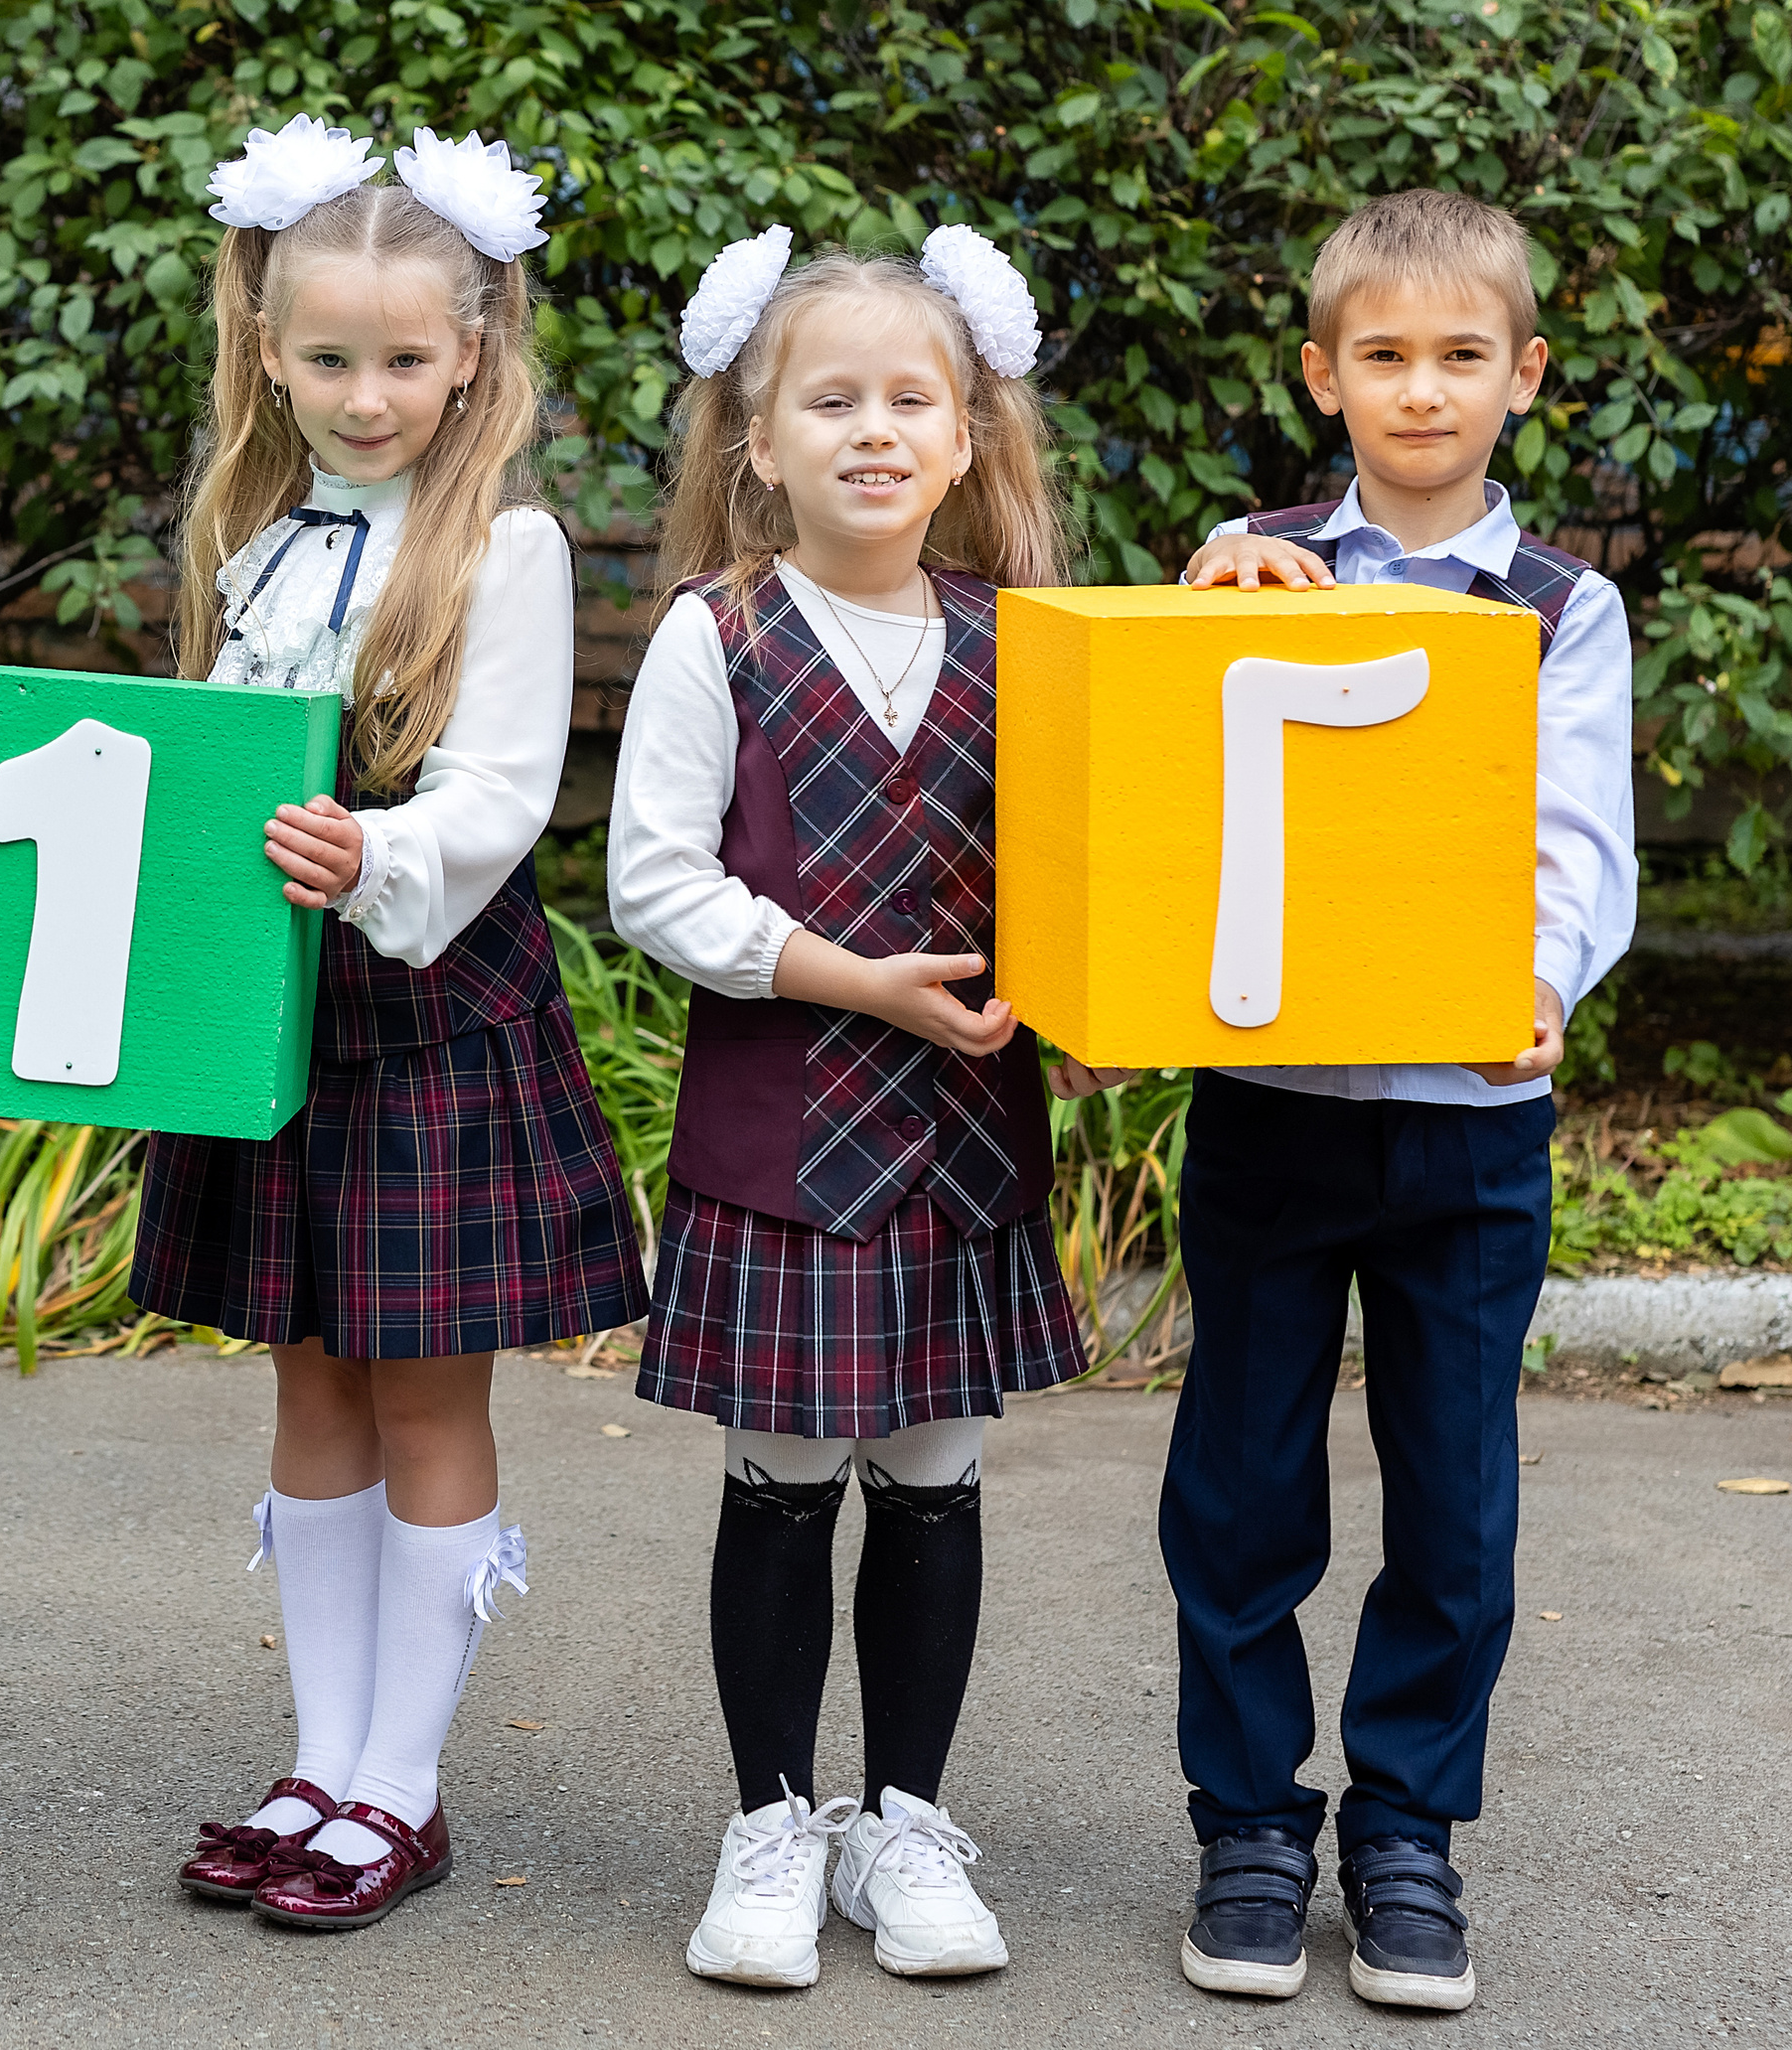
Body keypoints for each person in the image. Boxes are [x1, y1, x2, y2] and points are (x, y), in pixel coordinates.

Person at [132, 117, 648, 1933]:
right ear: (268, 351)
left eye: (405, 361)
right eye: (328, 359)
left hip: (429, 1014)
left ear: (473, 353)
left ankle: (403, 1785)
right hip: (273, 1022)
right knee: (309, 1372)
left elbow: (503, 798)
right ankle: (317, 1755)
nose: (366, 396)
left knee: (425, 1388)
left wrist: (373, 851)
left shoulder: (504, 546)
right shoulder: (255, 534)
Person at [606, 226, 1122, 1991]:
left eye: (913, 399)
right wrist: (857, 980)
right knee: (784, 1481)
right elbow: (656, 888)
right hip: (785, 1137)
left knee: (933, 1476)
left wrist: (1100, 1015)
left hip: (966, 1144)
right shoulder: (714, 636)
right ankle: (772, 1824)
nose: (874, 429)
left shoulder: (1033, 647)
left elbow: (1090, 885)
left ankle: (904, 1823)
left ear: (970, 438)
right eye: (830, 400)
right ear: (757, 442)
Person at [1165, 189, 1635, 2015]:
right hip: (1274, 1096)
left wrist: (1542, 979)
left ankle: (1411, 1831)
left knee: (1456, 1493)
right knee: (1243, 1482)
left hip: (1467, 1114)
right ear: (1324, 376)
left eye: (1459, 358)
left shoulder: (1560, 607)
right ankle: (1252, 1827)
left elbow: (1573, 832)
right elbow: (1173, 773)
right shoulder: (1252, 564)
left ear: (1522, 374)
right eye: (1384, 358)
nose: (1421, 391)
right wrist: (1209, 587)